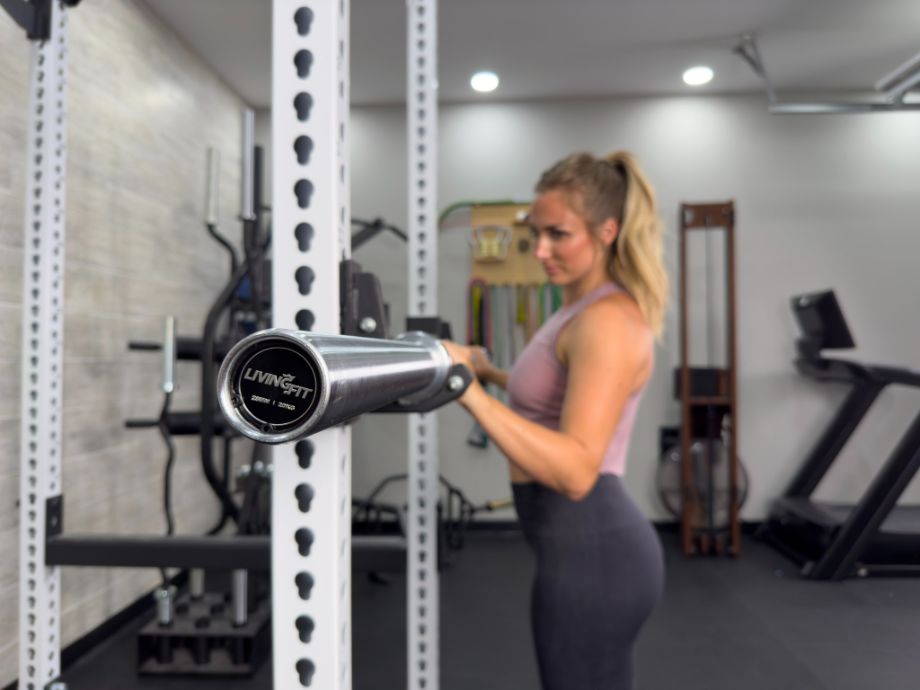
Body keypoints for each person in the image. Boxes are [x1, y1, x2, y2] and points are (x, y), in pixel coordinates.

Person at [442, 150, 668, 690]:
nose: (540, 250)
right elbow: (548, 400)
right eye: (535, 233)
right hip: (578, 545)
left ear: (607, 230)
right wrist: (488, 371)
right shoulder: (577, 309)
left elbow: (575, 471)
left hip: (595, 551)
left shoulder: (608, 322)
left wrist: (466, 391)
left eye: (559, 235)